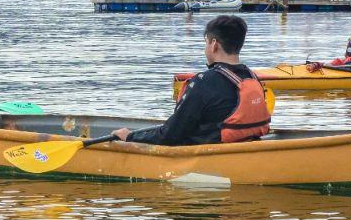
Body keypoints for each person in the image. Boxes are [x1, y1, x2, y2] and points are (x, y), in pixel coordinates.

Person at [111, 15, 270, 146]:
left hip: (211, 154)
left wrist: (130, 137)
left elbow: (170, 135)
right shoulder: (252, 77)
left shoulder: (204, 82)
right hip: (245, 145)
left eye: (206, 42)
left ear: (214, 44)